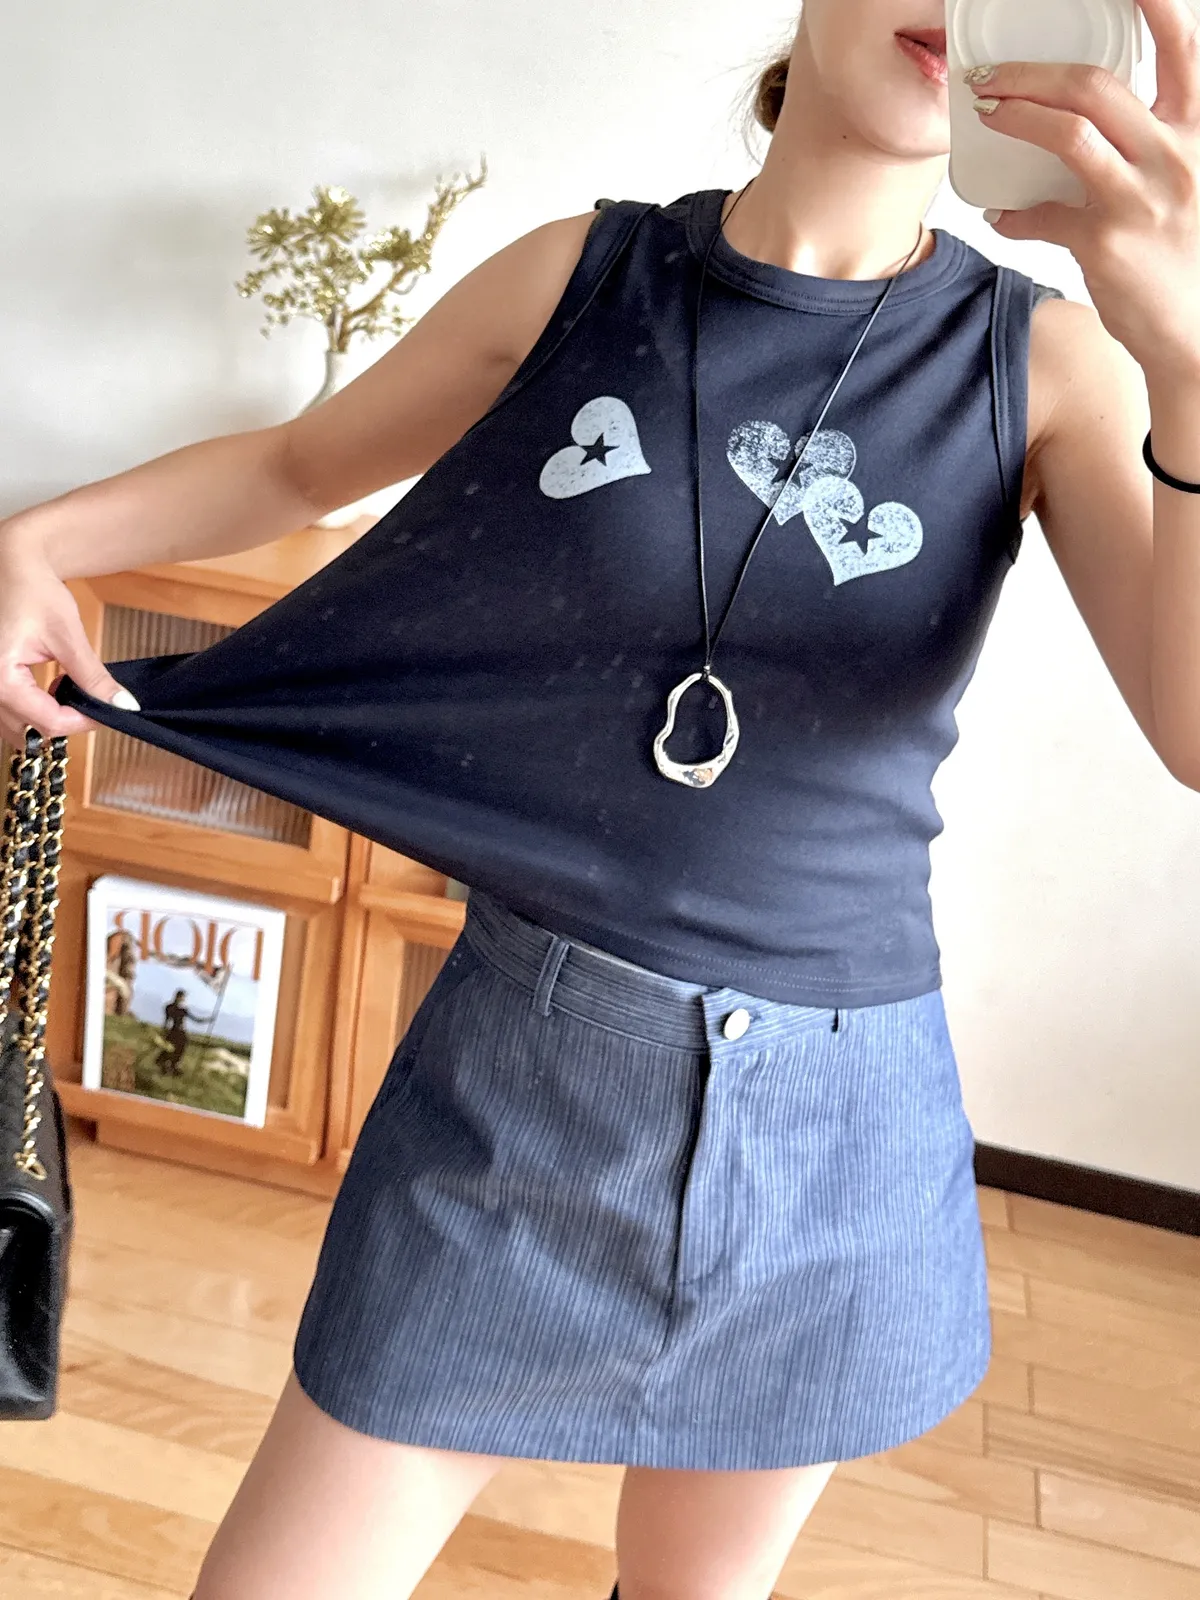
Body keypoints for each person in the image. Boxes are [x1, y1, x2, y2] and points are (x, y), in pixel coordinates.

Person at [3, 3, 1199, 1597]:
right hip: (522, 1097)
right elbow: (301, 469)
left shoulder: (1043, 362)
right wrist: (34, 541)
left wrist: (1187, 362)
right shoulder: (584, 276)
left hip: (835, 1132)